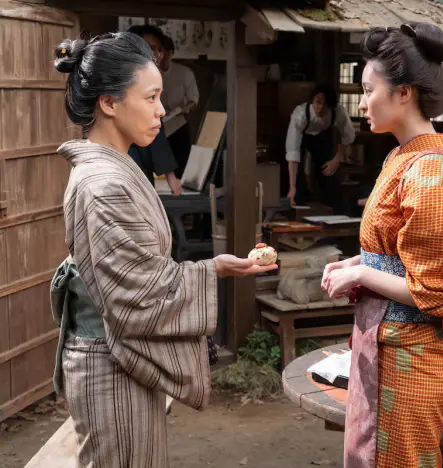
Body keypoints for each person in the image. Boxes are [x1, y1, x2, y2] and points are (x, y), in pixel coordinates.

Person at [52, 32, 277, 468]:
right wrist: (208, 272)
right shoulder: (104, 184)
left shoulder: (115, 168)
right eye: (151, 97)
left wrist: (214, 267)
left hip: (120, 357)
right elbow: (137, 294)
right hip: (110, 364)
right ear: (109, 103)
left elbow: (139, 273)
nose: (161, 109)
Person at [321, 24, 443, 468]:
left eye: (368, 90)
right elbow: (396, 254)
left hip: (410, 353)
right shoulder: (402, 157)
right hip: (385, 343)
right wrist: (356, 263)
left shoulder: (429, 173)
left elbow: (430, 290)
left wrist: (361, 273)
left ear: (403, 93)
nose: (362, 103)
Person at [126, 24, 182, 194]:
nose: (156, 55)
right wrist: (170, 175)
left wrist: (169, 174)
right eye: (150, 48)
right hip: (124, 154)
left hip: (139, 155)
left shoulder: (147, 78)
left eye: (158, 50)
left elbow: (155, 124)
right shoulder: (126, 79)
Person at [285, 84, 356, 212]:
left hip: (321, 137)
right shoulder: (300, 114)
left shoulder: (338, 112)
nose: (321, 107)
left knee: (327, 172)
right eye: (318, 102)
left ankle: (335, 210)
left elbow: (348, 136)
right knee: (298, 176)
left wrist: (336, 160)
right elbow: (293, 152)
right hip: (303, 138)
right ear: (313, 100)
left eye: (326, 105)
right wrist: (292, 186)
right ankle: (298, 203)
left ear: (332, 106)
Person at [161, 35, 199, 178]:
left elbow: (193, 100)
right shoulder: (148, 72)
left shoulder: (184, 73)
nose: (162, 57)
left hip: (177, 125)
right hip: (154, 125)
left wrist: (181, 109)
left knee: (180, 166)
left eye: (165, 52)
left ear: (171, 53)